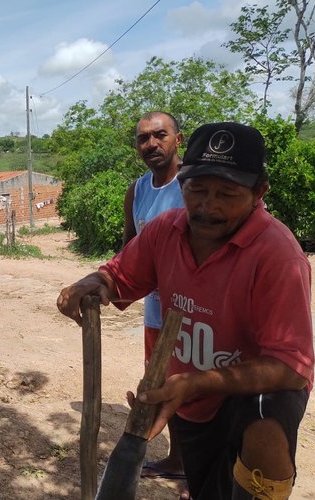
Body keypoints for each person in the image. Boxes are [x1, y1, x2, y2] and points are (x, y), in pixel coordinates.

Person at [57, 122, 314, 499]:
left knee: (266, 423)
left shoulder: (278, 255)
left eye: (227, 194)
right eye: (197, 190)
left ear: (259, 192)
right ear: (182, 184)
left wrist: (196, 382)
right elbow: (117, 275)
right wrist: (90, 284)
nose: (208, 207)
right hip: (191, 393)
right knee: (207, 485)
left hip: (251, 389)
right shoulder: (165, 231)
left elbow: (292, 368)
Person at [124, 111, 186, 481]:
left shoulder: (195, 183)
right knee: (163, 386)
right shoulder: (139, 190)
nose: (151, 144)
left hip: (198, 311)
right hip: (157, 311)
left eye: (159, 135)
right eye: (143, 138)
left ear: (178, 139)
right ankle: (178, 459)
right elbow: (130, 250)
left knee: (200, 387)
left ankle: (205, 468)